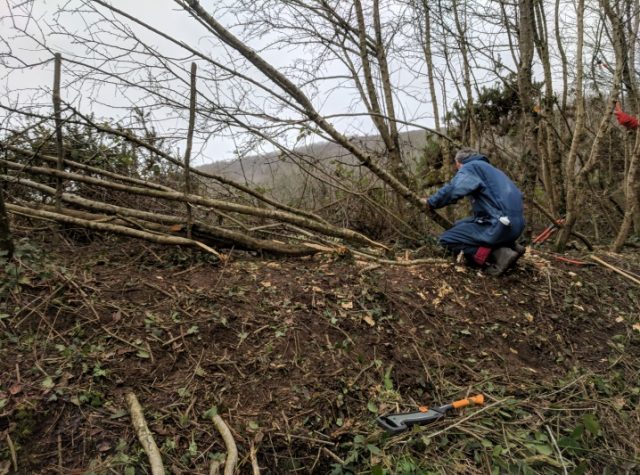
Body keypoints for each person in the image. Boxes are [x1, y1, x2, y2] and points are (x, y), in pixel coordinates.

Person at [424, 148, 525, 276]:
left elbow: (454, 189)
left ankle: (497, 255)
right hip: (516, 226)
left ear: (459, 163)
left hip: (498, 226)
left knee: (447, 239)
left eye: (457, 167)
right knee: (459, 224)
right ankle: (510, 246)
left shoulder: (472, 167)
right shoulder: (493, 171)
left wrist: (431, 202)